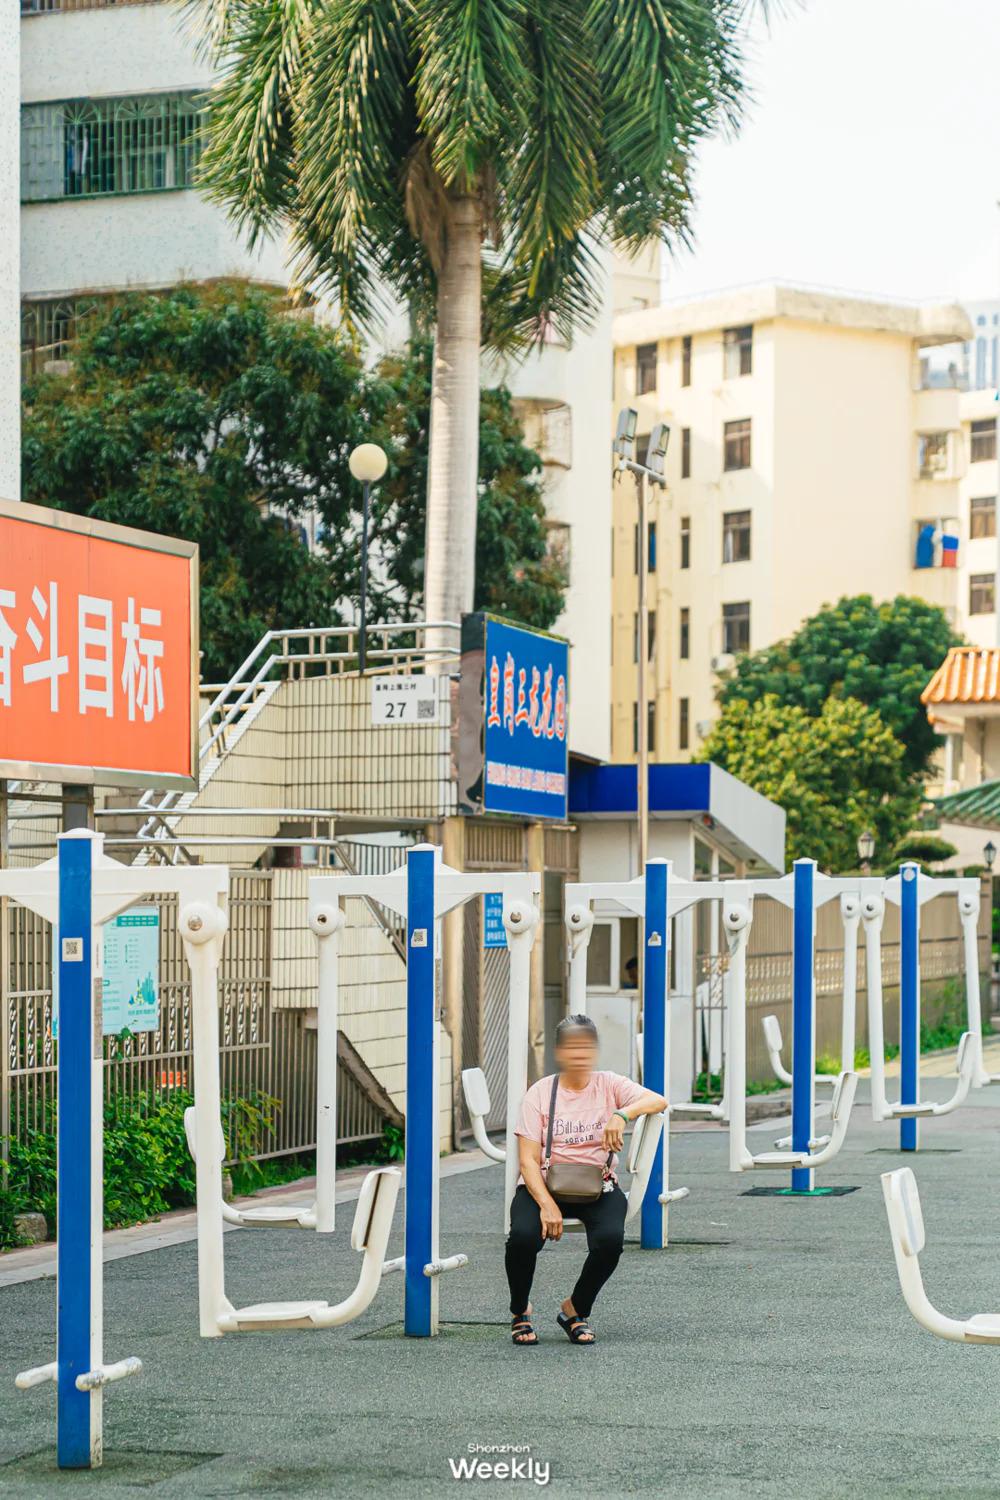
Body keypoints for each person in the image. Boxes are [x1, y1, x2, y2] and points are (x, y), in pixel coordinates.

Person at [506, 1013, 667, 1347]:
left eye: (586, 1047)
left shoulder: (609, 1084)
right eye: (572, 1047)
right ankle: (520, 1310)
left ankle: (575, 1310)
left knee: (610, 1240)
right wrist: (547, 1205)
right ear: (559, 1052)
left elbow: (658, 1100)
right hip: (545, 1184)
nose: (579, 1054)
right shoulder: (540, 1093)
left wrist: (621, 1114)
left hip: (598, 1184)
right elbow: (527, 1160)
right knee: (522, 1237)